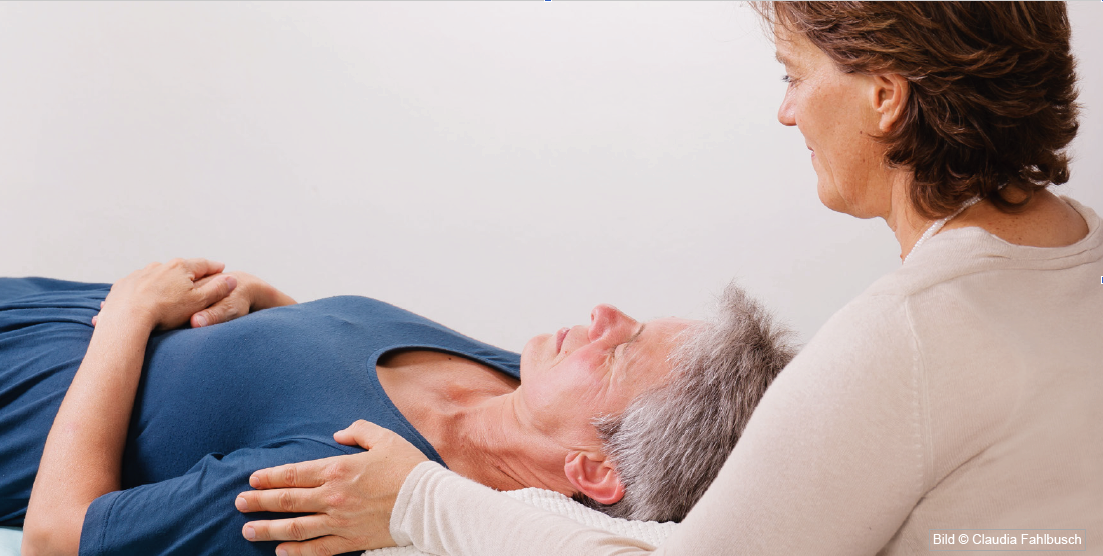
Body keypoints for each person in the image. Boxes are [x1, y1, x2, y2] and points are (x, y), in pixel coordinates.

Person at [233, 2, 1103, 555]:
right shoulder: (1078, 262)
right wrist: (319, 335)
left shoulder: (907, 336)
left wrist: (419, 502)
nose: (786, 111)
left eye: (795, 75)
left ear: (885, 96)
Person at [6, 260, 795, 555]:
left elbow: (57, 537)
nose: (603, 315)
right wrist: (271, 307)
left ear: (591, 471)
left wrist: (128, 318)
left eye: (619, 351)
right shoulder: (502, 381)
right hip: (33, 306)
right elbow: (299, 371)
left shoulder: (342, 479)